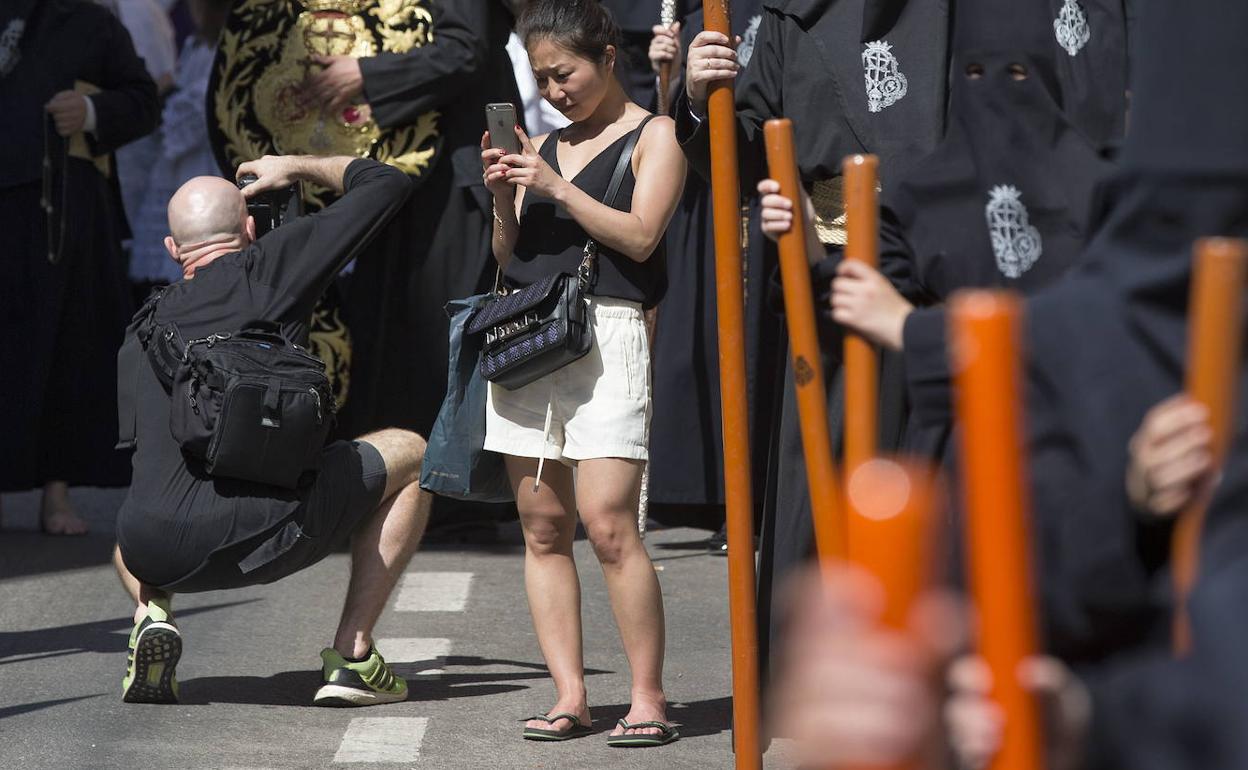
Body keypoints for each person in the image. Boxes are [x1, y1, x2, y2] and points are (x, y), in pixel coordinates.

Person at [678, 0, 950, 686]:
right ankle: (823, 678)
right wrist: (697, 94)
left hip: (950, 270)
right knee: (827, 475)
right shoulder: (790, 14)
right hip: (832, 275)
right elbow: (738, 152)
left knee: (936, 485)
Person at [112, 154, 431, 708]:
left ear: (171, 251)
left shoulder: (140, 330)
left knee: (131, 526)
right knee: (413, 452)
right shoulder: (269, 266)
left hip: (157, 554)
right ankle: (353, 655)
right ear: (251, 230)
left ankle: (150, 616)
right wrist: (295, 168)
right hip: (268, 537)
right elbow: (387, 182)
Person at [480, 0, 685, 745]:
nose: (554, 91)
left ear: (605, 55)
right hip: (529, 336)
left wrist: (559, 186)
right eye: (540, 80)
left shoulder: (654, 135)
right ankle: (570, 695)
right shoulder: (542, 143)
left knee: (607, 524)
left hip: (608, 333)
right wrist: (506, 193)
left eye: (563, 74)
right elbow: (510, 257)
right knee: (541, 527)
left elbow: (640, 236)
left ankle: (648, 698)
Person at [0, 0, 159, 534]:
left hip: (61, 213)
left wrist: (90, 114)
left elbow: (143, 99)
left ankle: (56, 494)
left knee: (63, 346)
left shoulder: (89, 21)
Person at [129, 0, 230, 291]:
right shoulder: (196, 45)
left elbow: (203, 105)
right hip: (179, 169)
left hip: (207, 164)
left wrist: (163, 96)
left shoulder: (225, 48)